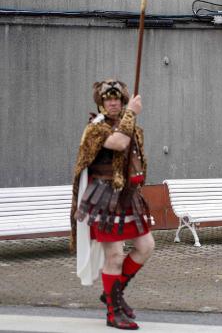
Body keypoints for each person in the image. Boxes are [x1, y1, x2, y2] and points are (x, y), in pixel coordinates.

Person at [70, 80, 154, 330]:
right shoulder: (95, 129)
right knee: (115, 256)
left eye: (117, 98)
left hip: (128, 197)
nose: (113, 102)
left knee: (146, 246)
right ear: (101, 102)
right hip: (105, 199)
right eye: (108, 99)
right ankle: (113, 312)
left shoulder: (131, 126)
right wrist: (132, 113)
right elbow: (118, 143)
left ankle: (112, 294)